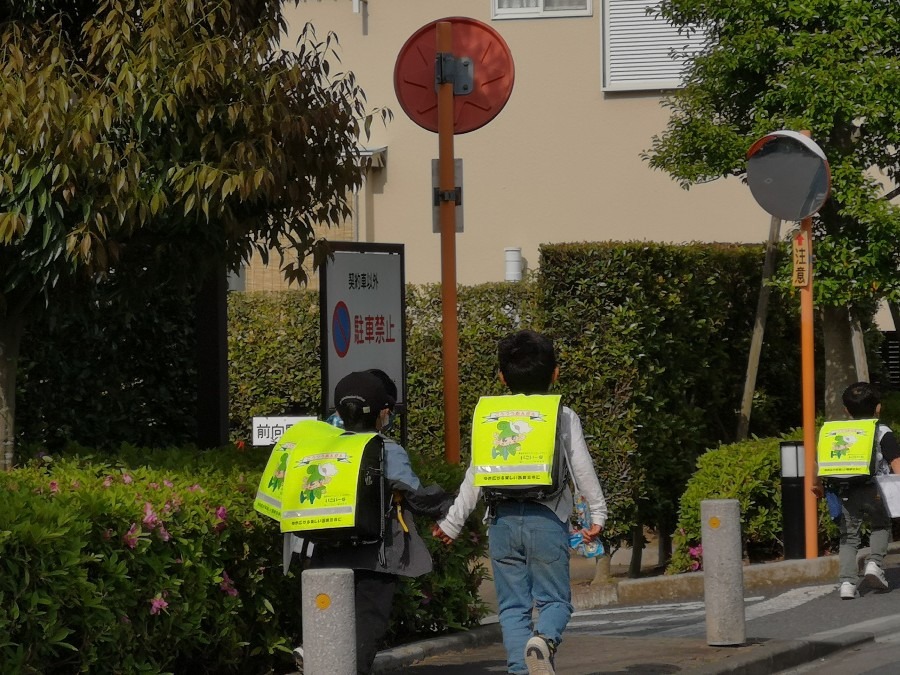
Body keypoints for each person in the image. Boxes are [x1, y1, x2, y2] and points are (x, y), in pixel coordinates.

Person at [433, 329, 607, 675]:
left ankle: (519, 669)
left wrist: (452, 521)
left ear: (502, 376)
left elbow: (476, 473)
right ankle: (544, 640)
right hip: (547, 518)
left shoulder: (490, 416)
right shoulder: (562, 415)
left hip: (502, 521)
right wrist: (597, 515)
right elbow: (582, 470)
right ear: (555, 373)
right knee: (555, 600)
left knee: (512, 607)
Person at [300, 370, 451, 673]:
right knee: (365, 626)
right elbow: (416, 497)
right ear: (383, 413)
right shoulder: (386, 449)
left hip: (325, 551)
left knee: (327, 622)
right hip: (375, 556)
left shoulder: (321, 449)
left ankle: (311, 653)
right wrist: (451, 503)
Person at [815, 381, 900, 600]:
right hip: (876, 489)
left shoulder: (836, 431)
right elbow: (896, 462)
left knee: (848, 537)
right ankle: (874, 563)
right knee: (881, 525)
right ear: (878, 408)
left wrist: (817, 485)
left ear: (846, 410)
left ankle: (847, 583)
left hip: (845, 490)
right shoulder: (882, 431)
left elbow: (821, 462)